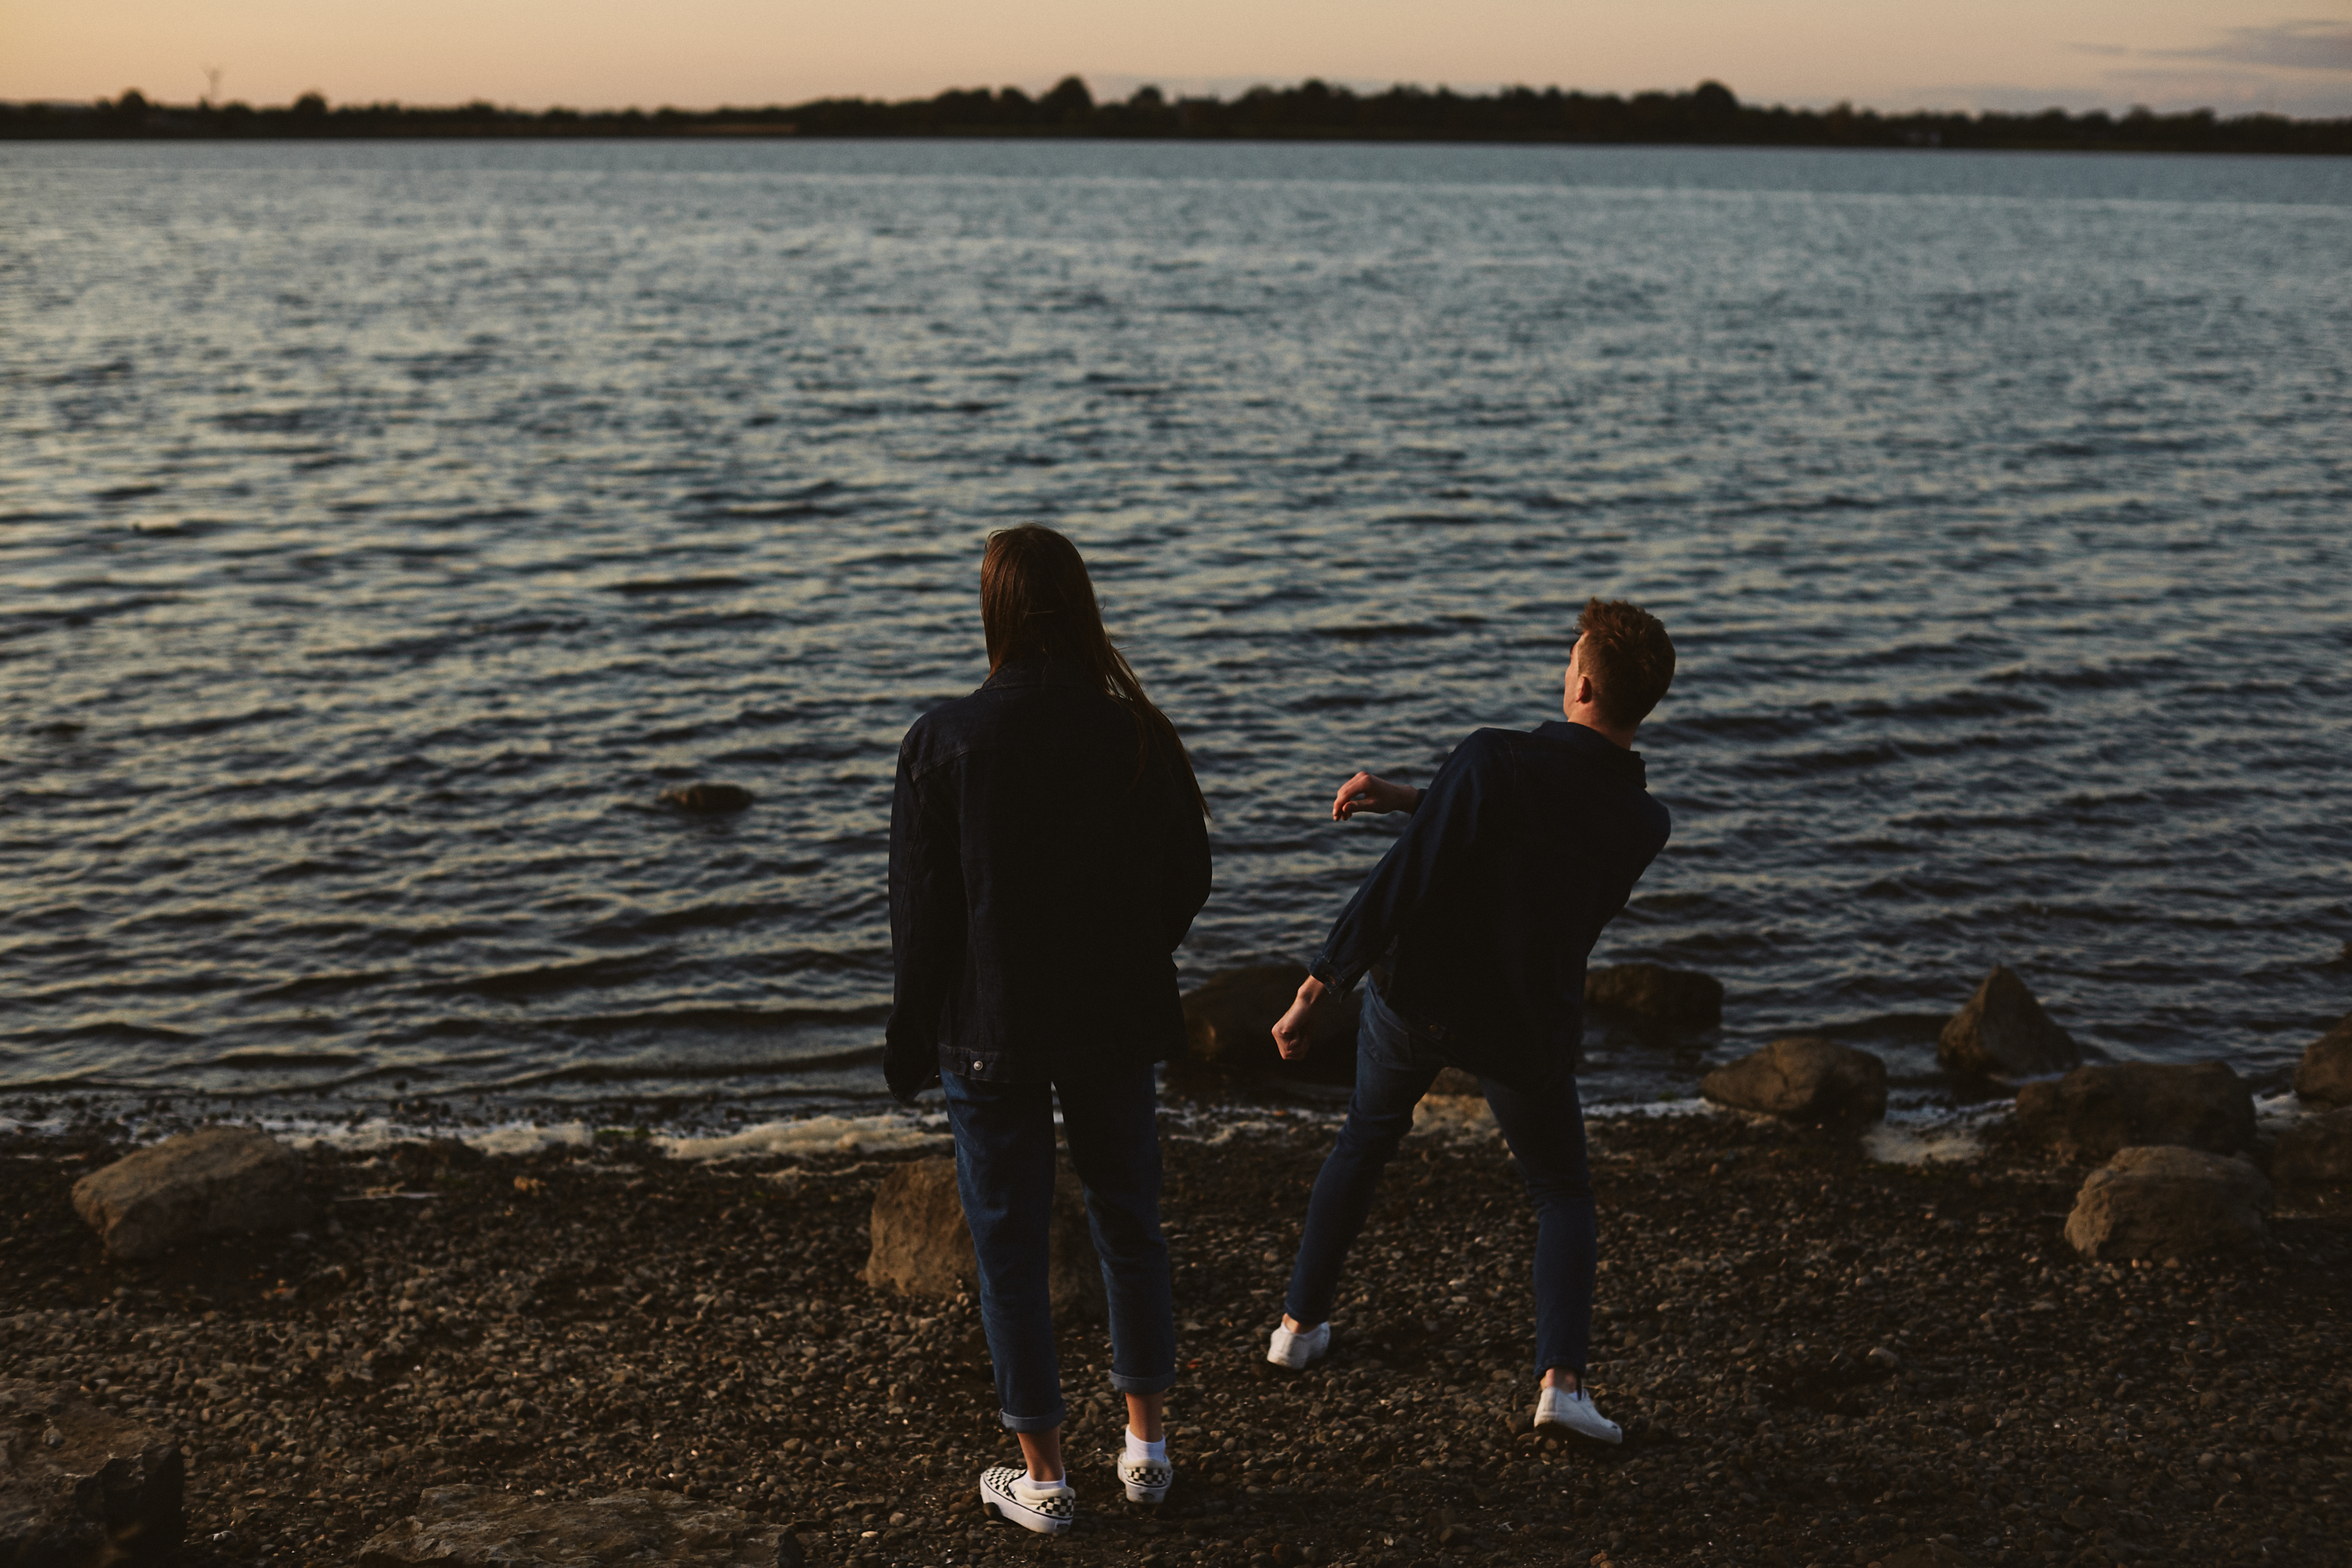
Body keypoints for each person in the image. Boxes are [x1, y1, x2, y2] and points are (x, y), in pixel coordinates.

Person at [1265, 597, 1677, 1446]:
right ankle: (1561, 1383)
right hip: (1522, 1023)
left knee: (1363, 1141)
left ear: (1585, 683)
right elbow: (1537, 839)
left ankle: (1297, 1330)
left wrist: (1319, 984)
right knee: (1561, 1192)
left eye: (1571, 657)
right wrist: (1420, 794)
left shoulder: (1493, 757)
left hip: (1417, 998)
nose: (1566, 666)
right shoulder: (1643, 822)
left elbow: (1405, 878)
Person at [885, 524, 1211, 1536]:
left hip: (989, 1028)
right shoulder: (1140, 735)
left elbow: (922, 915)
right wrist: (1132, 952)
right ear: (1082, 609)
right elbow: (1188, 878)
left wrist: (909, 1031)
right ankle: (1148, 1452)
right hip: (1115, 1019)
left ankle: (1047, 1477)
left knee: (1011, 1246)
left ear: (993, 613)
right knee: (1129, 1221)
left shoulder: (942, 743)